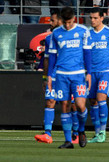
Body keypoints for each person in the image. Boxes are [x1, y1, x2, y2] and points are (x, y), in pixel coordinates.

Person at [47, 6, 92, 149]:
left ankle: (81, 130)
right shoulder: (56, 33)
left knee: (80, 105)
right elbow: (52, 56)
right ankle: (68, 141)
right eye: (64, 22)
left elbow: (87, 53)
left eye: (69, 22)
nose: (67, 25)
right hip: (61, 75)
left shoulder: (83, 31)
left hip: (78, 74)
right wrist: (49, 76)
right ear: (61, 20)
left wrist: (89, 73)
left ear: (74, 19)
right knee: (65, 105)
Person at [34, 11, 79, 144]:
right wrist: (45, 77)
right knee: (50, 102)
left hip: (68, 74)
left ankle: (75, 132)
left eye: (53, 21)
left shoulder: (74, 36)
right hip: (53, 76)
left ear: (61, 21)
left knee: (71, 105)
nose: (51, 23)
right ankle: (48, 133)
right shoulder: (49, 38)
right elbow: (47, 60)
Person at [87, 7, 109, 143]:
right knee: (92, 101)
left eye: (95, 18)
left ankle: (103, 132)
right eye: (91, 18)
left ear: (102, 18)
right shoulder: (87, 34)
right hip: (91, 73)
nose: (93, 20)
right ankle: (96, 133)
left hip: (105, 71)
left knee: (101, 98)